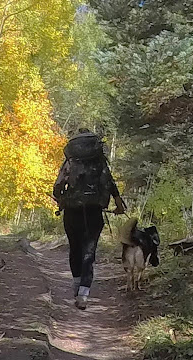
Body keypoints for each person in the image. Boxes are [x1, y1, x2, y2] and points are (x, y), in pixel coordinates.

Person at [53, 128, 126, 310]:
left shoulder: (70, 162)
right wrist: (118, 203)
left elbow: (58, 185)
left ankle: (77, 285)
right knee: (89, 251)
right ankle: (84, 294)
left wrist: (61, 199)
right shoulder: (99, 162)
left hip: (72, 211)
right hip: (94, 211)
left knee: (74, 248)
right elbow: (109, 182)